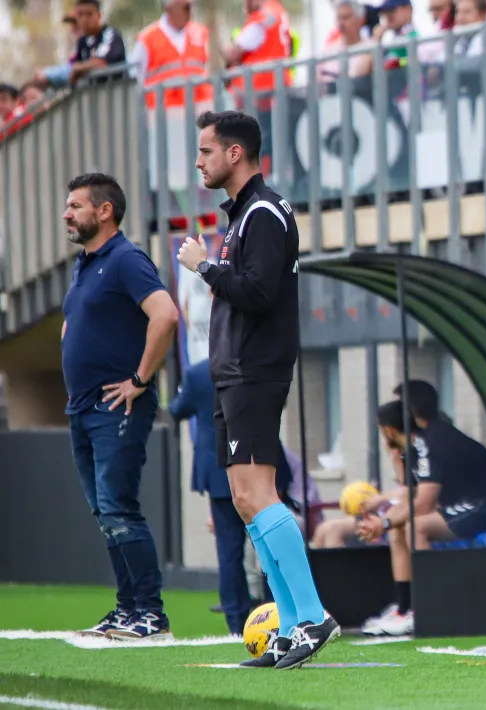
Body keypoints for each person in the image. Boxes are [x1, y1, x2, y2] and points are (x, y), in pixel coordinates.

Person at [177, 110, 338, 669]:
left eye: (205, 151)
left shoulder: (265, 212)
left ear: (235, 153)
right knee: (246, 499)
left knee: (259, 494)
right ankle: (291, 626)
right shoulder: (244, 214)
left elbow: (260, 292)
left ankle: (312, 616)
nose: (199, 162)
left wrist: (205, 269)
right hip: (233, 372)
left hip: (255, 370)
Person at [61, 173, 179, 639]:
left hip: (116, 407)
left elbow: (165, 314)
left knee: (118, 507)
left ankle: (150, 613)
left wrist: (139, 380)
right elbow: (74, 325)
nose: (67, 213)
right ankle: (128, 608)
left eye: (75, 205)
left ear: (104, 211)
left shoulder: (126, 258)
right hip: (83, 408)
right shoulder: (84, 264)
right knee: (106, 511)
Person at [358, 399, 486, 635]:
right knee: (400, 525)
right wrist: (386, 520)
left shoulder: (430, 442)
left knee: (416, 527)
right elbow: (411, 492)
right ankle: (405, 608)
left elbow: (424, 502)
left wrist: (383, 523)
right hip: (474, 504)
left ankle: (429, 608)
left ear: (388, 430)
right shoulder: (416, 447)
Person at [170, 358, 252, 636]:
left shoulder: (196, 373)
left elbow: (176, 410)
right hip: (256, 462)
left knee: (229, 551)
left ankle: (237, 622)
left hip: (218, 470)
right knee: (269, 544)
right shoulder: (252, 365)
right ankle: (278, 610)